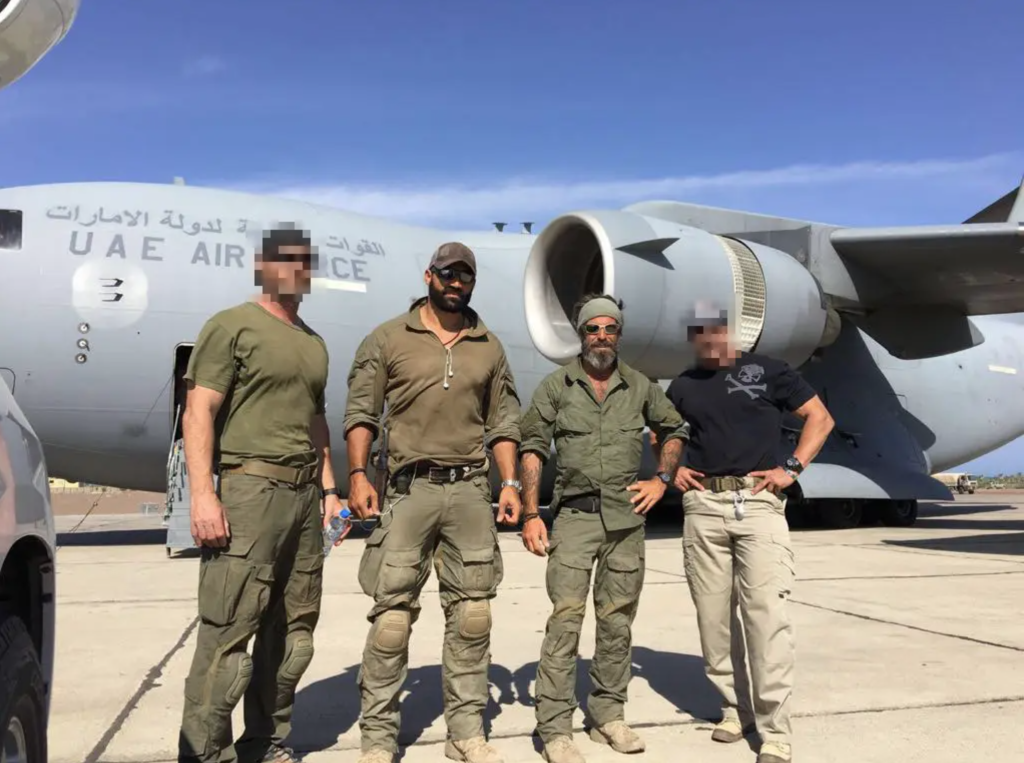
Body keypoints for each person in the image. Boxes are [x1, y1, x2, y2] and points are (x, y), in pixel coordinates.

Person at [339, 242, 523, 763]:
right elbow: (361, 413)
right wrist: (357, 474)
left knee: (473, 615)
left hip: (469, 490)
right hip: (409, 488)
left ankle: (466, 732)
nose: (455, 282)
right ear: (429, 276)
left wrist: (508, 484)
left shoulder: (488, 345)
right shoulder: (389, 338)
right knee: (392, 619)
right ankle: (377, 738)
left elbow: (503, 422)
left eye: (465, 275)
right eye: (447, 273)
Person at [177, 225, 346, 763]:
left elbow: (316, 423)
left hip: (302, 498)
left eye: (304, 261)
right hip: (249, 489)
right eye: (285, 260)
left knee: (292, 633)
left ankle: (265, 744)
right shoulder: (231, 326)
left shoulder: (313, 343)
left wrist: (330, 492)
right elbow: (198, 409)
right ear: (265, 266)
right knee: (229, 631)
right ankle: (205, 753)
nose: (296, 270)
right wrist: (203, 496)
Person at [518, 294, 691, 763]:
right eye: (592, 329)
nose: (600, 337)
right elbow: (532, 446)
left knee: (617, 623)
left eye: (608, 329)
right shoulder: (557, 386)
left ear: (618, 334)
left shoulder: (639, 386)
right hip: (573, 519)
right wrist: (532, 515)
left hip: (625, 520)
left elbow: (674, 429)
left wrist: (661, 480)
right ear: (581, 334)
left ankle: (608, 716)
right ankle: (554, 727)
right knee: (566, 621)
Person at [661, 301, 834, 763]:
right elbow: (663, 432)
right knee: (713, 619)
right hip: (703, 507)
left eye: (716, 329)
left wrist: (792, 467)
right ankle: (734, 710)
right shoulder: (682, 386)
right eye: (699, 331)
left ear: (732, 331)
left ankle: (775, 729)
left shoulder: (770, 370)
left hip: (757, 503)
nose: (710, 338)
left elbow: (820, 418)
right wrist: (672, 468)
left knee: (765, 619)